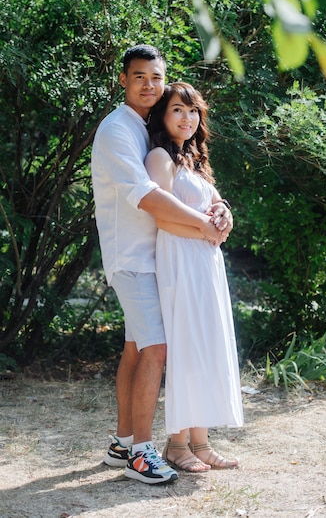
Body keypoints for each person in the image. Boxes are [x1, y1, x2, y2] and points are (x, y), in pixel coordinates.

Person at [91, 45, 232, 485]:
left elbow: (188, 184)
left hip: (156, 260)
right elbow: (150, 198)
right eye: (139, 77)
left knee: (137, 349)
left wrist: (218, 207)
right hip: (133, 259)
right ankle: (140, 452)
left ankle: (121, 441)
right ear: (123, 80)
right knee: (156, 348)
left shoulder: (146, 129)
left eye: (156, 77)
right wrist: (206, 227)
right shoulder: (117, 130)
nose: (148, 84)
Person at [145, 81, 244, 473]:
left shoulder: (195, 160)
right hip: (179, 259)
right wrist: (206, 230)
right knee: (187, 346)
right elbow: (161, 214)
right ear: (163, 116)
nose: (187, 118)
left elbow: (214, 203)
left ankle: (200, 442)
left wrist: (224, 214)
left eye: (193, 111)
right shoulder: (159, 157)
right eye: (177, 110)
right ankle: (175, 444)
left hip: (206, 262)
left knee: (206, 345)